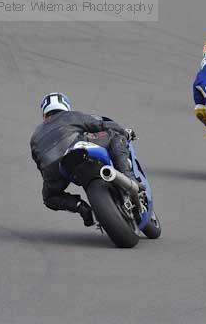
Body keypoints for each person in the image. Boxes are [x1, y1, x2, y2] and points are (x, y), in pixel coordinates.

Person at [30, 93, 136, 227]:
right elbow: (100, 124)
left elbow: (39, 162)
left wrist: (50, 177)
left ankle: (81, 207)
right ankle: (129, 178)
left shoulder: (35, 135)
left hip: (53, 169)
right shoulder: (70, 116)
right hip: (77, 151)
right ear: (65, 106)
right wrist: (125, 132)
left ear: (44, 114)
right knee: (115, 136)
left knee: (49, 198)